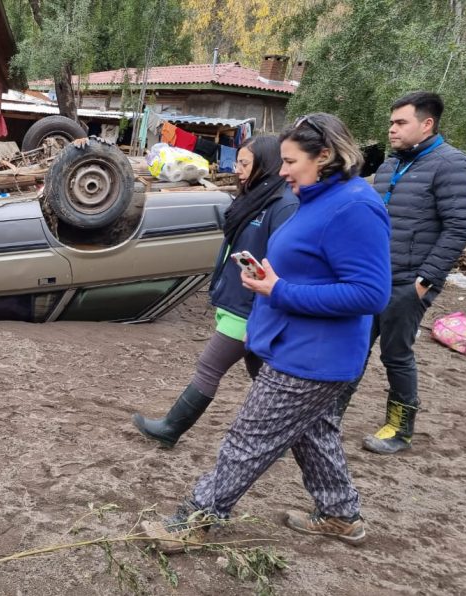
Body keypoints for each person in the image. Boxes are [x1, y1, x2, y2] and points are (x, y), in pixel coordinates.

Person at [142, 113, 391, 551]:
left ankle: (194, 520)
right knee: (314, 434)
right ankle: (340, 514)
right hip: (294, 343)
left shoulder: (356, 207)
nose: (282, 170)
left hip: (313, 355)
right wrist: (274, 280)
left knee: (248, 438)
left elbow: (370, 294)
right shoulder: (319, 197)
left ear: (326, 156)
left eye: (292, 161)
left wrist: (281, 290)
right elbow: (317, 265)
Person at [131, 136, 298, 448]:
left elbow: (283, 262)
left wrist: (263, 308)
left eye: (245, 163)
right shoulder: (254, 197)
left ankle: (171, 428)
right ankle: (288, 435)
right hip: (238, 296)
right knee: (265, 378)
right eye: (238, 162)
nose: (238, 169)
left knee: (210, 366)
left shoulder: (282, 204)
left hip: (251, 305)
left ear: (267, 164)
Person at [340, 92, 466, 455]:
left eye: (400, 123)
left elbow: (461, 228)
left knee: (395, 354)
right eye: (391, 123)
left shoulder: (452, 165)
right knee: (352, 347)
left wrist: (425, 281)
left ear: (427, 123)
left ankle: (400, 429)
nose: (391, 130)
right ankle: (330, 415)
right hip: (371, 278)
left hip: (408, 282)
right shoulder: (390, 165)